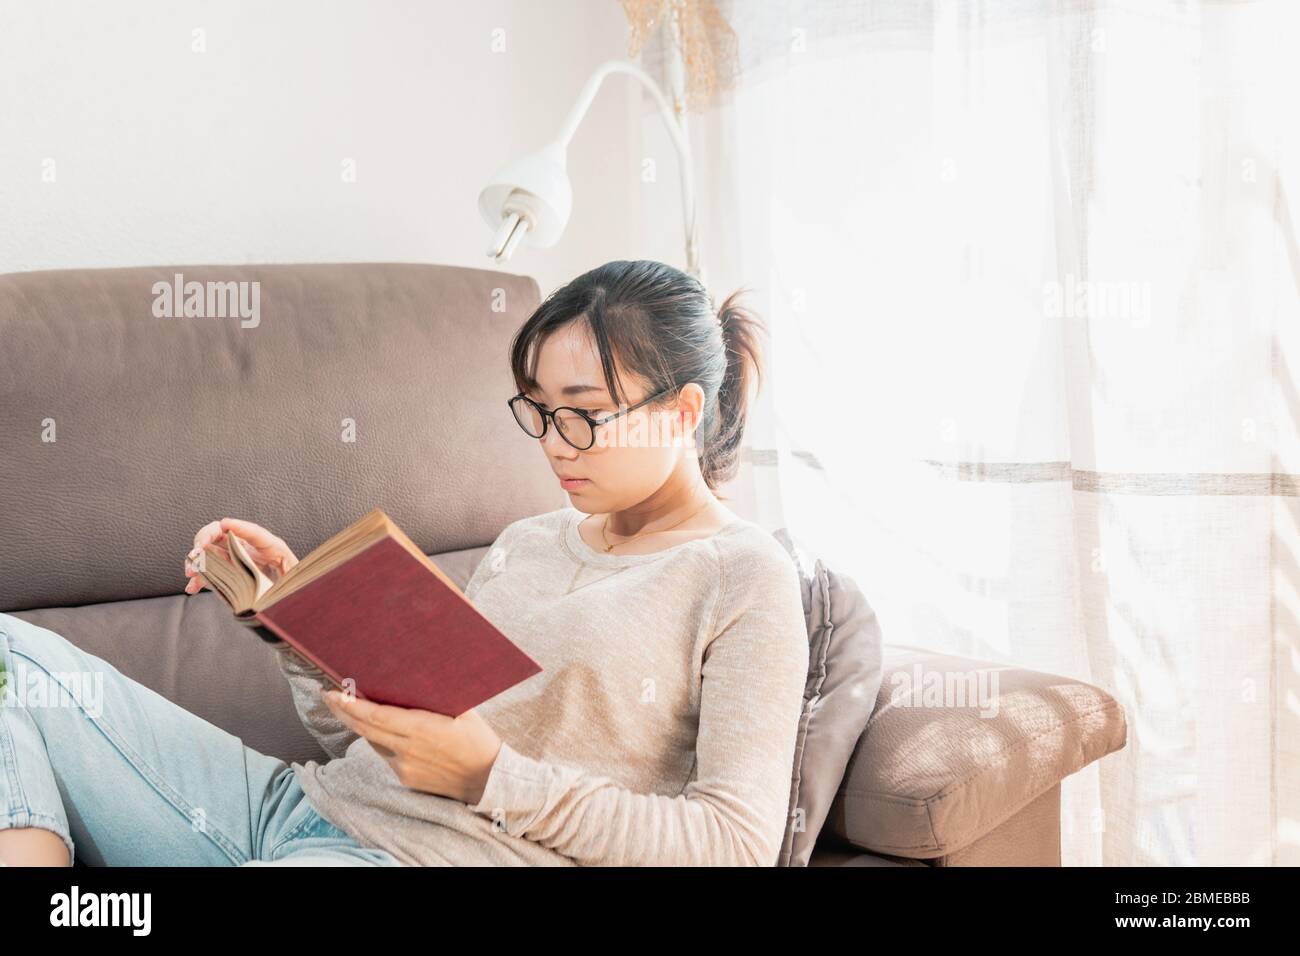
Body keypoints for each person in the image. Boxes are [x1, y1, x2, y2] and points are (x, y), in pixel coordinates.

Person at [0, 259, 810, 866]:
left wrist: (489, 775)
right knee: (10, 658)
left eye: (587, 416)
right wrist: (297, 626)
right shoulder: (527, 541)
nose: (555, 446)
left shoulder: (742, 577)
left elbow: (732, 844)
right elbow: (369, 735)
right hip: (294, 807)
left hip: (421, 859)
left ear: (683, 410)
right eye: (539, 411)